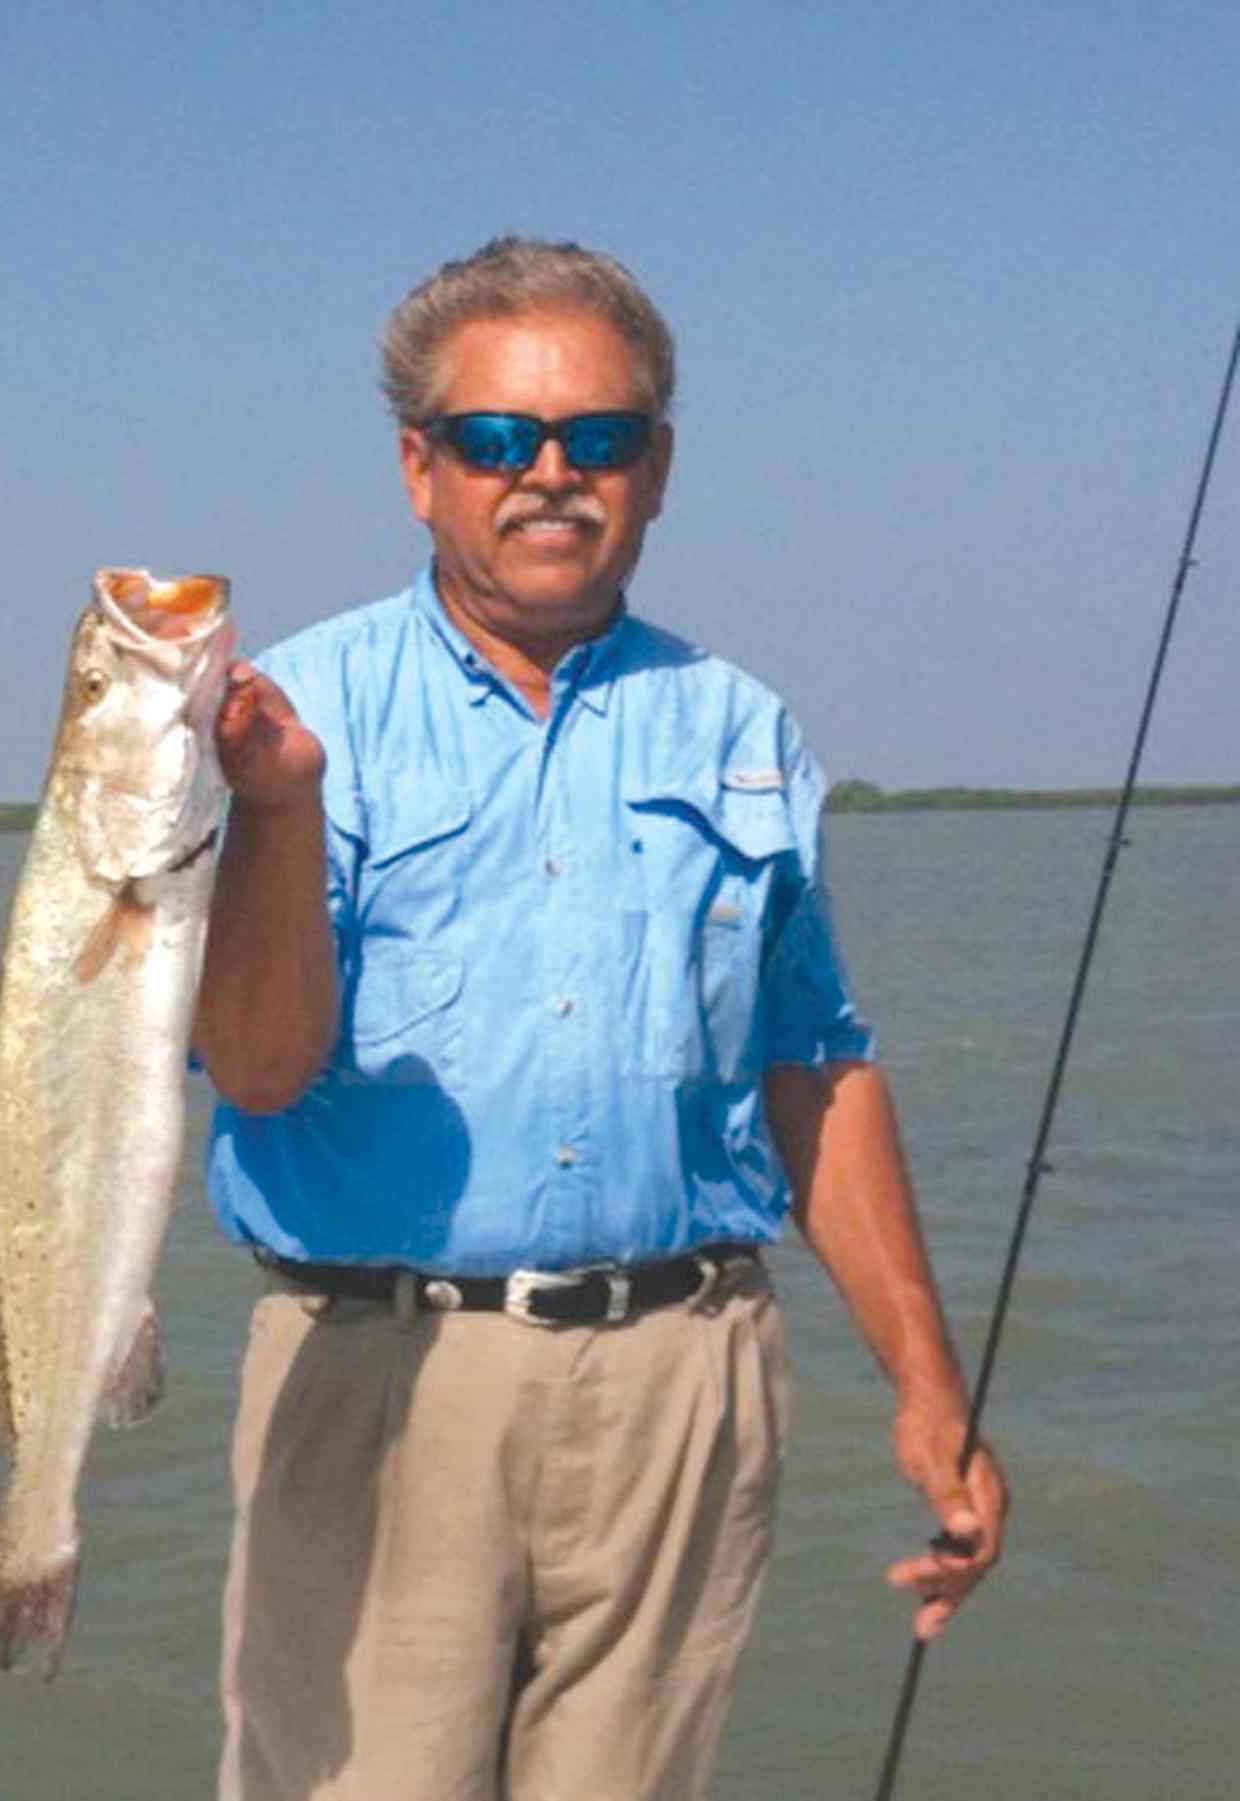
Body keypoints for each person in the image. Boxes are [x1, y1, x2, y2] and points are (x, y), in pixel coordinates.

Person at [192, 236, 1007, 1801]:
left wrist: (927, 1381)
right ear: (421, 468)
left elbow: (815, 1067)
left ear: (659, 468)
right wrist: (278, 811)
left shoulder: (744, 727)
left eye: (601, 436)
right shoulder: (289, 715)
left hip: (686, 1383)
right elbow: (257, 1066)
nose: (551, 474)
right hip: (383, 1379)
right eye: (499, 437)